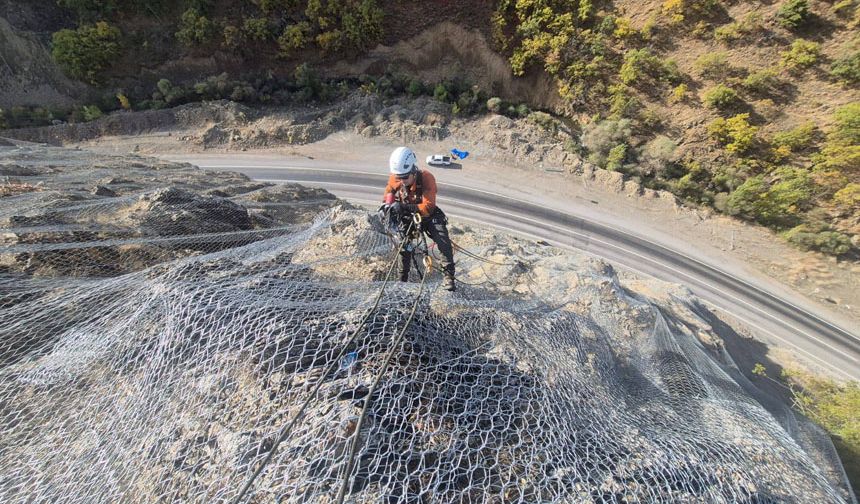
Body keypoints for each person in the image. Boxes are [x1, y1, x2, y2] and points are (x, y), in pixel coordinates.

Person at [382, 146, 456, 291]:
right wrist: (386, 207)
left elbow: (428, 207)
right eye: (399, 177)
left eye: (405, 177)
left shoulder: (427, 178)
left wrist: (404, 207)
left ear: (413, 171)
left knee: (443, 240)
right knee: (404, 247)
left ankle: (449, 277)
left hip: (428, 216)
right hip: (408, 216)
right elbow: (388, 193)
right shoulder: (397, 177)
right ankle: (402, 280)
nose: (402, 181)